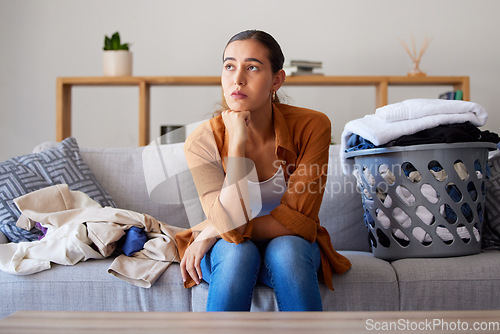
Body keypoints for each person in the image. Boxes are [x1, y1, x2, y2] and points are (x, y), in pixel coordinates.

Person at [175, 30, 351, 312]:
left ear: (276, 80)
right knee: (237, 254)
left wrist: (212, 231)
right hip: (228, 252)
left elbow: (299, 219)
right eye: (229, 66)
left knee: (287, 251)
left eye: (252, 67)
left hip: (286, 251)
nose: (238, 78)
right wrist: (237, 144)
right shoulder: (201, 141)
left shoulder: (313, 126)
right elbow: (230, 232)